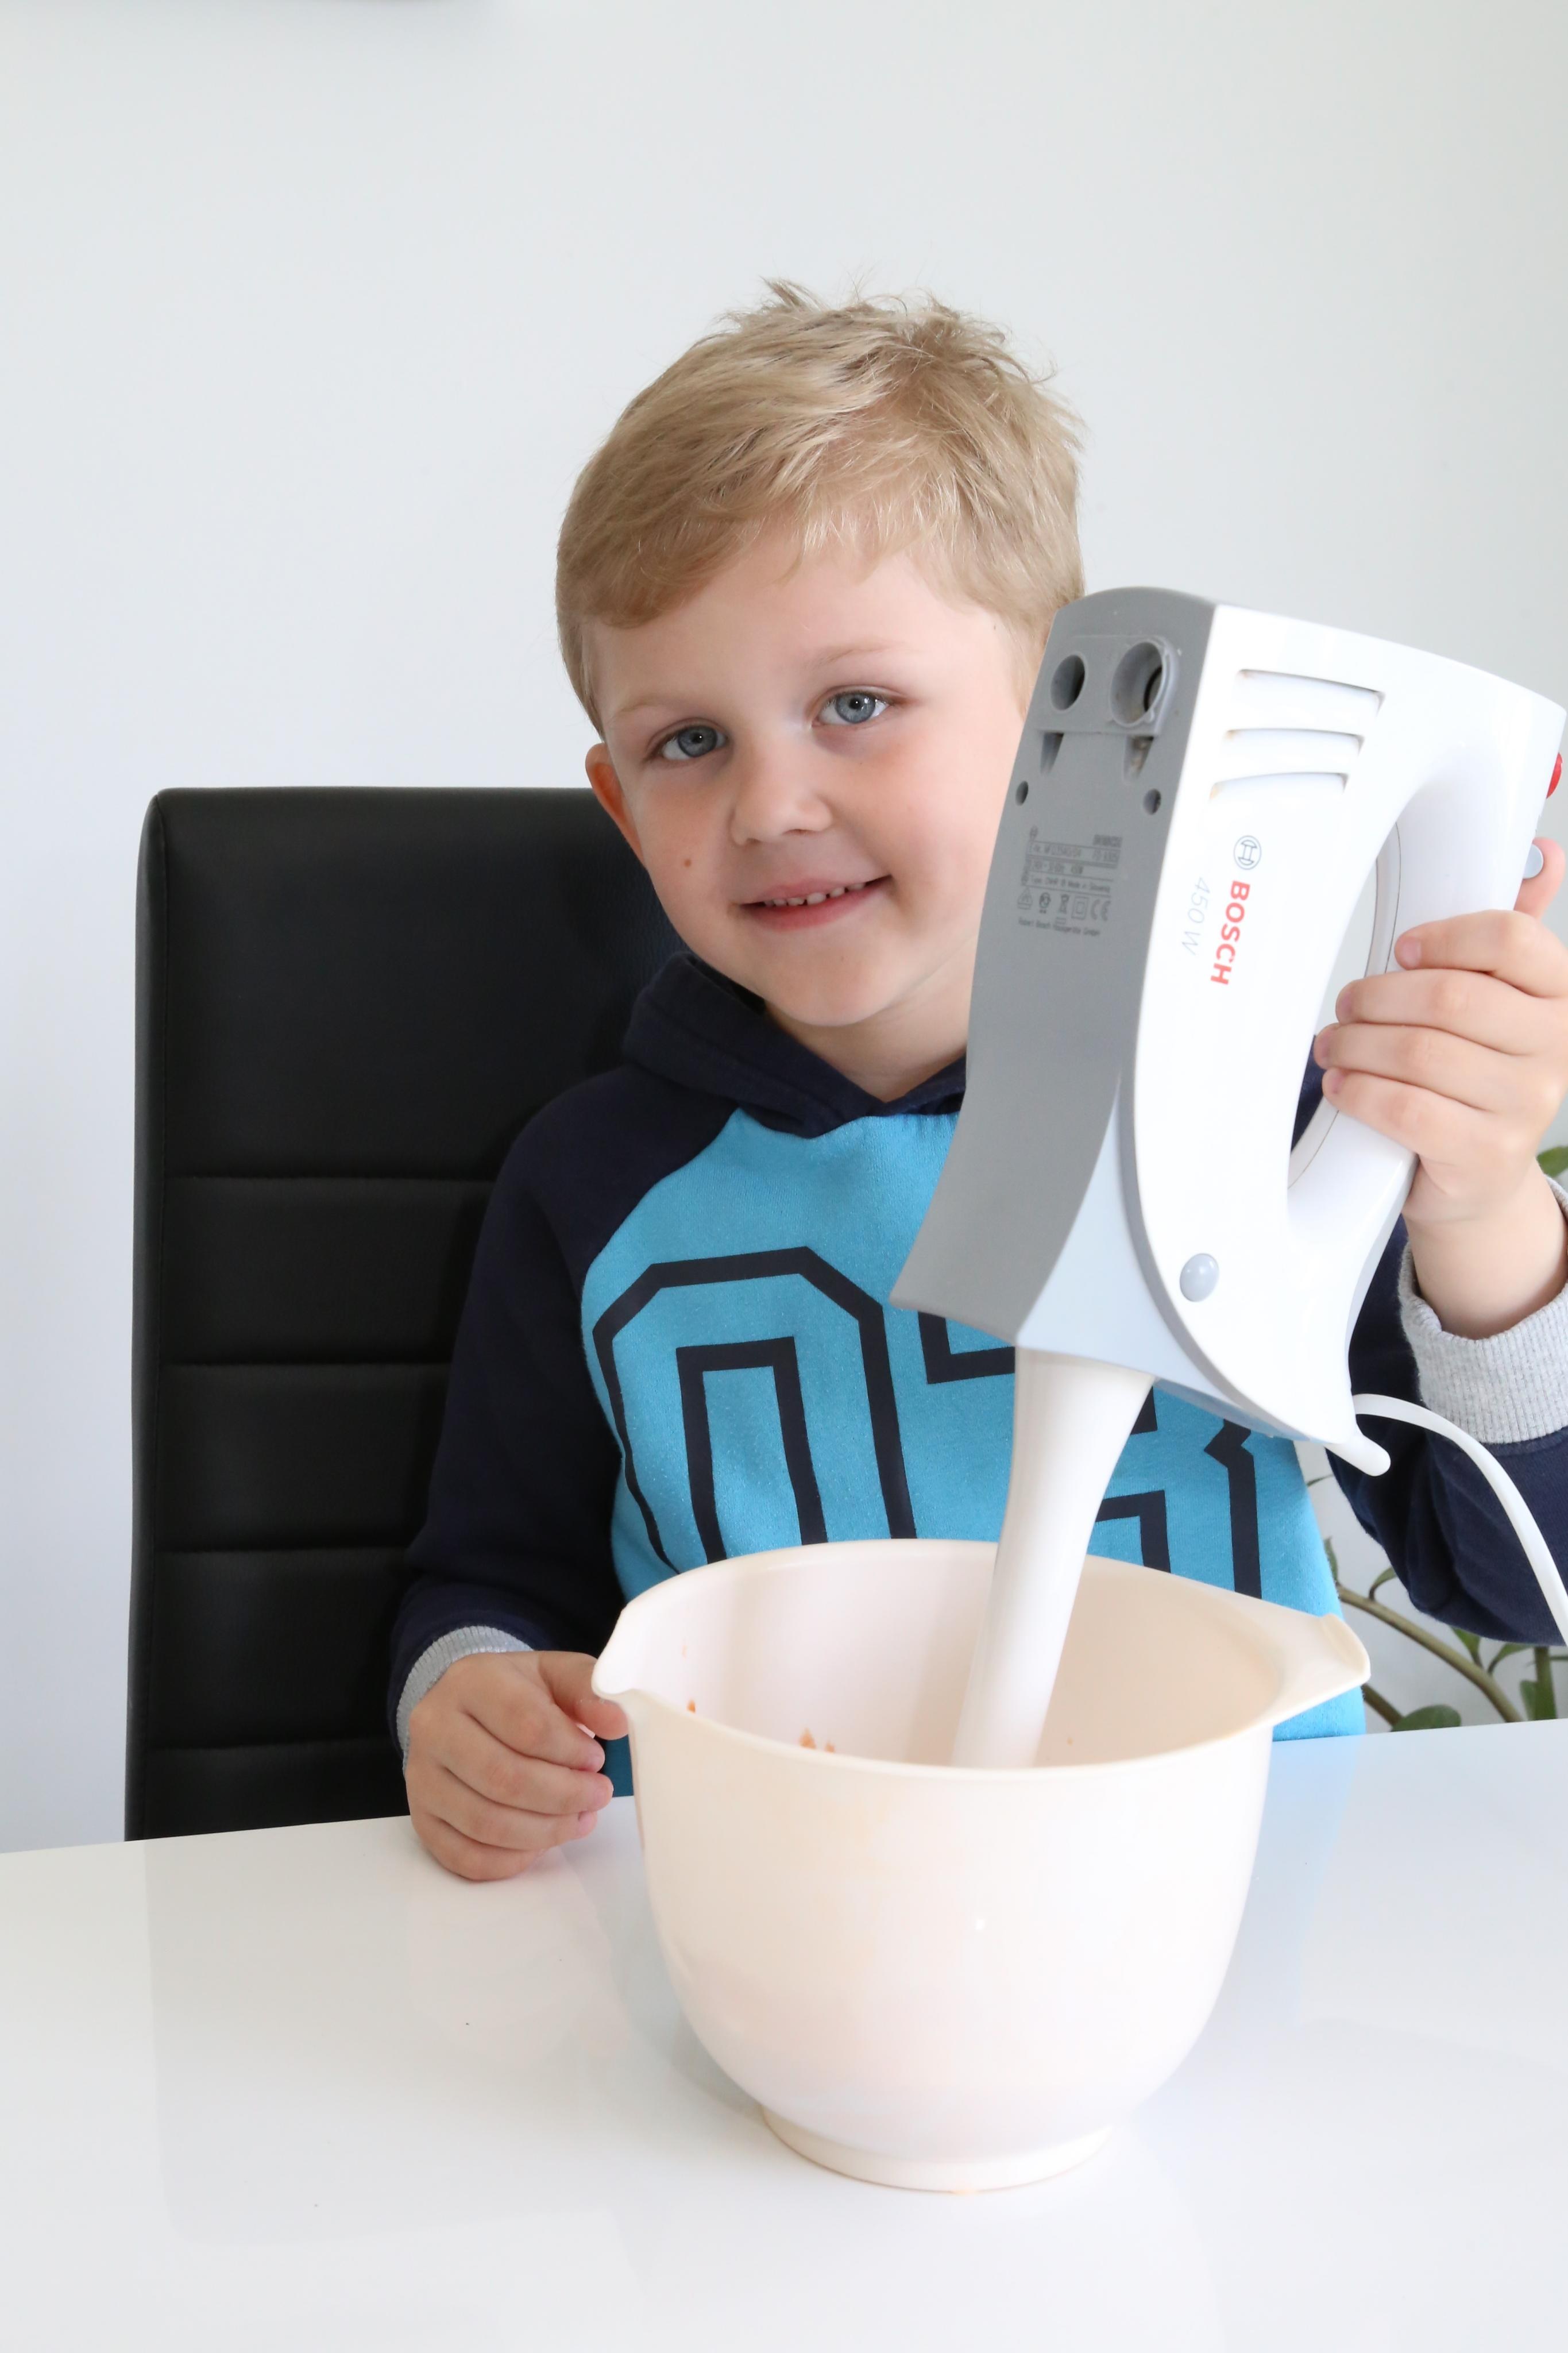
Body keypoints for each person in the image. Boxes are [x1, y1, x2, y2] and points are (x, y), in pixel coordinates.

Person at [392, 284, 1568, 1881]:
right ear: (618, 804)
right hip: (774, 1906)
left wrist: (1483, 1211)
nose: (771, 804)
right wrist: (465, 1693)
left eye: (855, 706)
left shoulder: (1254, 1132)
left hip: (1219, 1905)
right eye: (688, 743)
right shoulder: (584, 1185)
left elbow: (1517, 1586)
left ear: (1058, 741)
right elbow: (492, 1580)